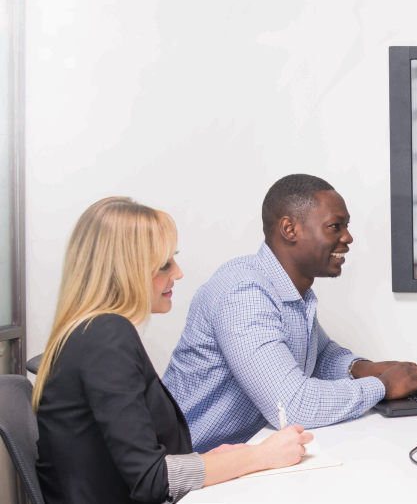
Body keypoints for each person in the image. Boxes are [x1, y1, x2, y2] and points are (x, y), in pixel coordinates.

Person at [34, 197, 313, 504]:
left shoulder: (85, 334)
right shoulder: (106, 335)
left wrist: (216, 459)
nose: (178, 273)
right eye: (165, 264)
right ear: (126, 269)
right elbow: (151, 479)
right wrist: (261, 456)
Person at [163, 174, 417, 453]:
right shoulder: (243, 293)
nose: (348, 237)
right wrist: (381, 386)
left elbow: (321, 355)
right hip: (190, 475)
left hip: (244, 457)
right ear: (289, 229)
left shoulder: (291, 293)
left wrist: (361, 369)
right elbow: (293, 406)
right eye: (335, 226)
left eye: (347, 226)